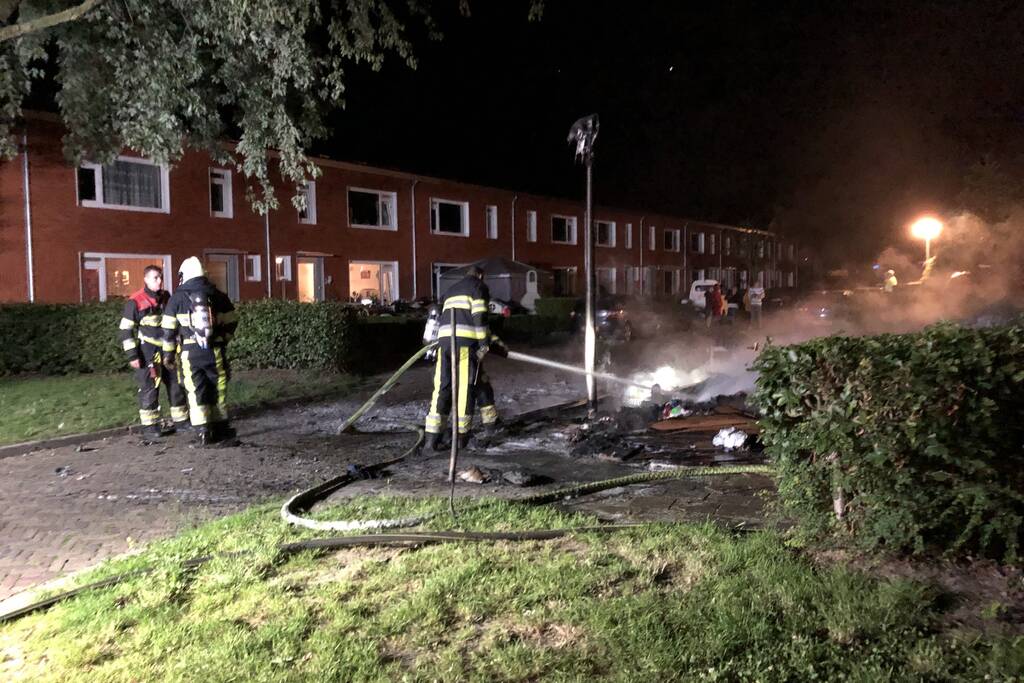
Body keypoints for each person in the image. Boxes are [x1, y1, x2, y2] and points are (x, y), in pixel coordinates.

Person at [161, 257, 238, 446]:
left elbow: (168, 330)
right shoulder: (219, 295)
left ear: (184, 275)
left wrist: (168, 354)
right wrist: (222, 340)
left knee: (196, 389)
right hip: (215, 351)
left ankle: (203, 431)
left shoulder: (177, 298)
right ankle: (220, 427)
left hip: (189, 352)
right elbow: (232, 321)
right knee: (218, 388)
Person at [424, 265, 491, 450]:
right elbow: (479, 317)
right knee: (464, 390)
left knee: (442, 387)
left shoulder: (451, 290)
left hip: (443, 345)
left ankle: (431, 441)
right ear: (480, 275)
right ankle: (461, 439)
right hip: (464, 346)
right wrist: (484, 343)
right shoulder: (478, 287)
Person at [118, 265, 189, 438]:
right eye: (155, 278)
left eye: (160, 277)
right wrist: (132, 355)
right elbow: (125, 330)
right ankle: (150, 427)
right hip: (148, 350)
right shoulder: (135, 301)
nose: (159, 281)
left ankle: (181, 422)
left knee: (176, 384)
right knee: (149, 387)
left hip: (168, 349)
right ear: (146, 280)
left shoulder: (166, 297)